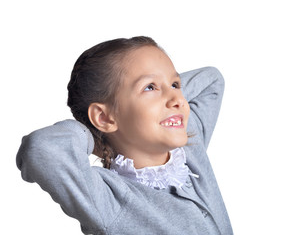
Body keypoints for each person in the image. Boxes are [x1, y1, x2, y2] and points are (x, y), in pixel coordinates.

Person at [16, 36, 233, 234]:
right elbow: (42, 149)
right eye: (150, 88)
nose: (178, 99)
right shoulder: (108, 199)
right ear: (104, 118)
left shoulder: (189, 147)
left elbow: (212, 79)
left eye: (175, 84)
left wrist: (161, 86)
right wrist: (94, 135)